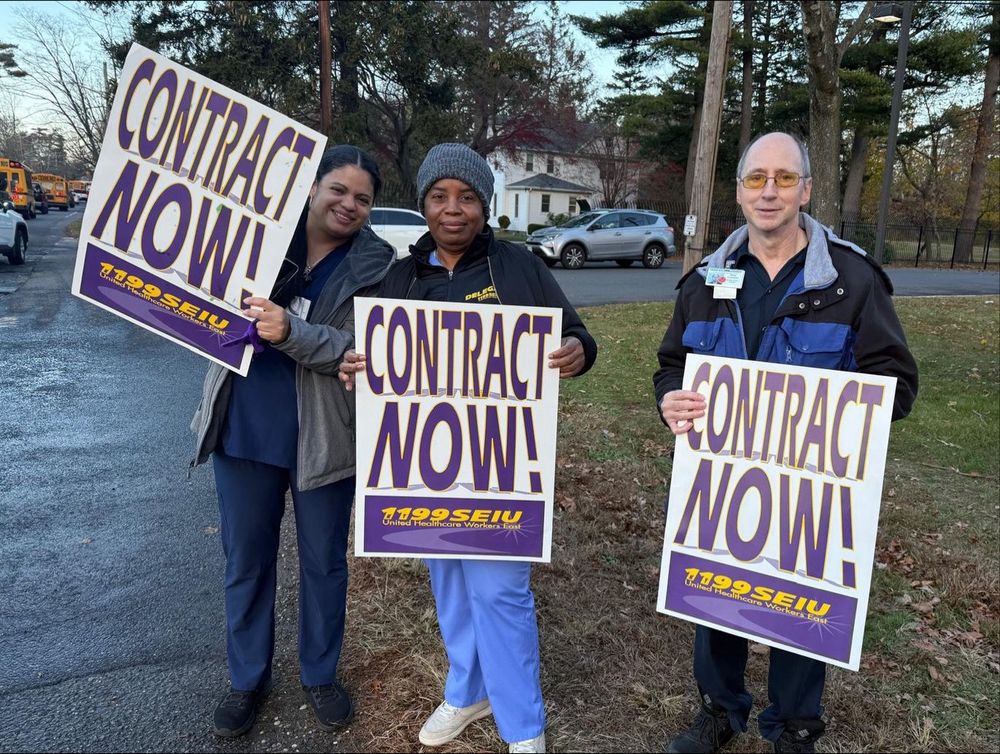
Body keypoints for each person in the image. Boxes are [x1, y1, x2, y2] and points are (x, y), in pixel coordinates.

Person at [653, 132, 918, 754]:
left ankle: (796, 726)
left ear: (806, 188)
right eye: (755, 179)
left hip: (809, 487)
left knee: (803, 607)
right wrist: (669, 398)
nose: (768, 191)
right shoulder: (704, 281)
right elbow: (671, 365)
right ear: (740, 191)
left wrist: (846, 413)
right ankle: (719, 710)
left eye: (783, 178)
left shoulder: (851, 281)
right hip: (721, 483)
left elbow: (897, 385)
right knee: (714, 595)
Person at [339, 143, 598, 754]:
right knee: (450, 584)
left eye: (467, 198)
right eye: (439, 196)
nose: (453, 210)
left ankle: (522, 727)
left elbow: (576, 334)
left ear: (485, 207)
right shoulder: (401, 276)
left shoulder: (516, 267)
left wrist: (579, 352)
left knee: (500, 591)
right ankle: (467, 690)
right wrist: (356, 364)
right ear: (424, 204)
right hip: (425, 471)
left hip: (500, 469)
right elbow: (376, 359)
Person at [190, 145, 396, 738]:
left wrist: (292, 332)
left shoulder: (378, 265)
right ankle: (246, 679)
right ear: (311, 189)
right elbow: (197, 298)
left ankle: (319, 674)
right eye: (338, 190)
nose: (349, 204)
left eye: (362, 198)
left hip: (326, 434)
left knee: (324, 564)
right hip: (244, 426)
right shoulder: (253, 238)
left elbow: (364, 350)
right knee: (246, 562)